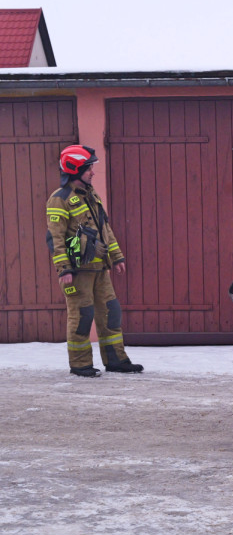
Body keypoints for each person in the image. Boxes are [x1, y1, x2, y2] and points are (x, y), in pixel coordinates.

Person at [45, 145, 143, 377]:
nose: (92, 172)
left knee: (111, 312)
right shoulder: (59, 200)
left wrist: (117, 256)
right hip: (78, 272)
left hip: (100, 268)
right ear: (75, 168)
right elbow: (55, 238)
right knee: (82, 316)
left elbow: (104, 229)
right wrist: (63, 269)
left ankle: (116, 360)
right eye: (89, 168)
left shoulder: (91, 194)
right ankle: (80, 364)